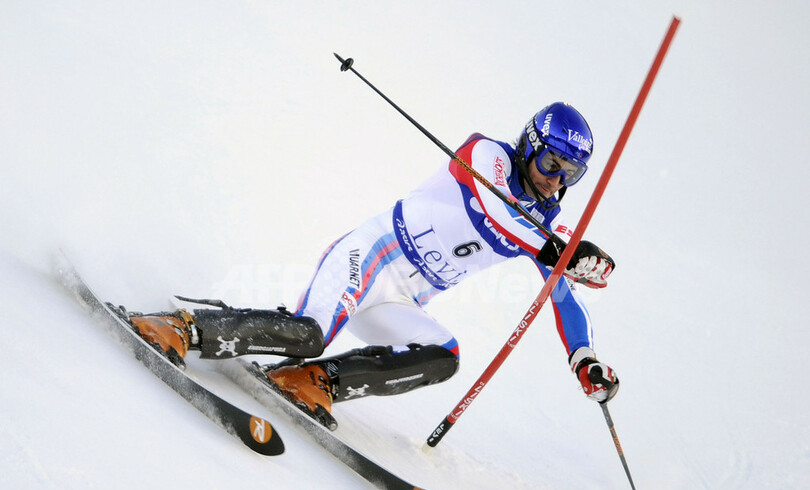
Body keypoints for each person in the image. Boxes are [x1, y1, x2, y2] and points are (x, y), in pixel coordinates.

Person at [128, 102, 619, 428]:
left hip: (400, 298)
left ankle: (311, 381)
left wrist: (585, 357)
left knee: (444, 355)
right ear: (530, 146)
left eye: (570, 173)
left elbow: (562, 295)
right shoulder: (487, 156)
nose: (556, 181)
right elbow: (491, 212)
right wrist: (558, 249)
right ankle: (179, 327)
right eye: (551, 163)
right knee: (310, 332)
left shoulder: (541, 229)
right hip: (370, 256)